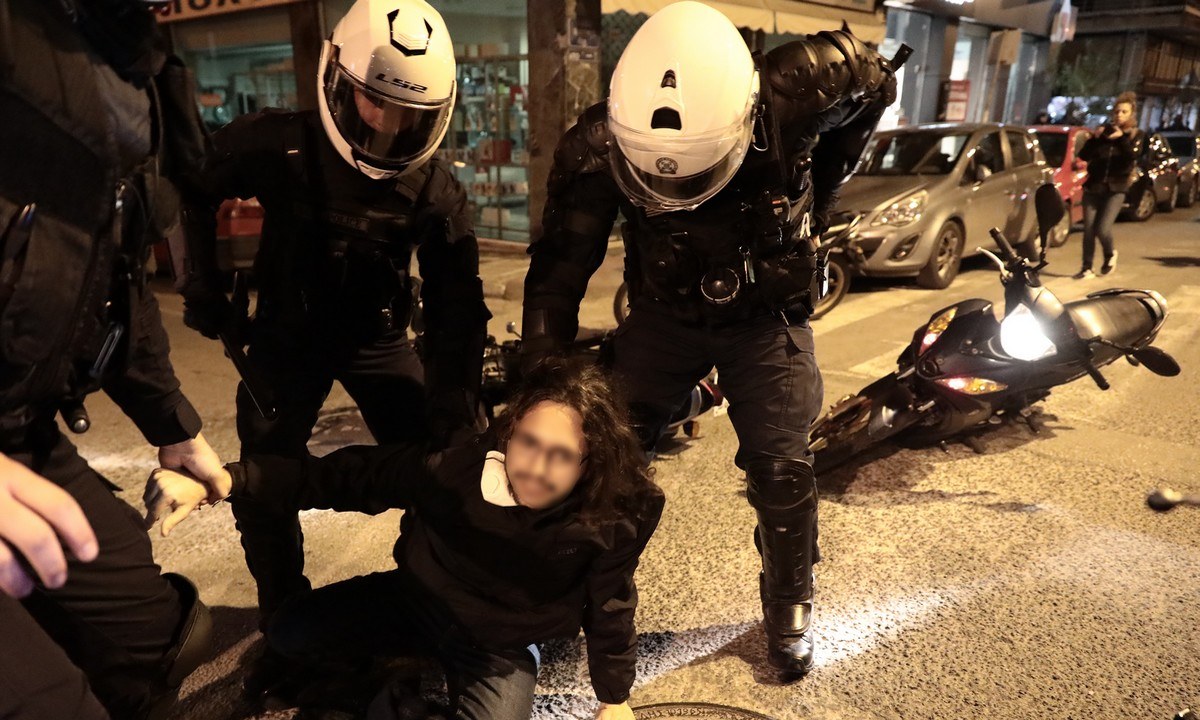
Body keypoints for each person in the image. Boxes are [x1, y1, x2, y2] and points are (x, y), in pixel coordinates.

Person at [520, 0, 898, 678]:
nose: (676, 189)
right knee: (597, 448)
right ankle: (567, 591)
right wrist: (544, 374)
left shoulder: (800, 87)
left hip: (766, 319)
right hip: (663, 317)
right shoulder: (599, 145)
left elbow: (877, 84)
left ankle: (790, 602)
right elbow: (559, 269)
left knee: (782, 469)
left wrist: (824, 185)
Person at [177, 0, 491, 693]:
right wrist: (202, 278)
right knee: (263, 485)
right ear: (336, 78)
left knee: (446, 470)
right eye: (377, 103)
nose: (390, 127)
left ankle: (433, 604)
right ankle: (284, 623)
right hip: (284, 339)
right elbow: (191, 183)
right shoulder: (276, 143)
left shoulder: (435, 190)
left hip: (379, 338)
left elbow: (458, 310)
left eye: (410, 115)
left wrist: (454, 400)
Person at [145, 358, 664, 720]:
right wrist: (225, 481)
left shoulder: (613, 516)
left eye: (562, 455)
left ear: (591, 460)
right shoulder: (453, 468)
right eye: (529, 442)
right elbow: (340, 476)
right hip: (416, 601)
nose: (536, 468)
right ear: (510, 433)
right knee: (288, 632)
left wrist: (614, 697)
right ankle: (393, 669)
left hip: (497, 642)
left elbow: (610, 604)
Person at [0, 0, 225, 717]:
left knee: (160, 637)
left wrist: (173, 425)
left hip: (19, 431)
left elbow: (115, 277)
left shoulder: (127, 58)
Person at [1075, 91, 1145, 279]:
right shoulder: (1103, 133)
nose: (1119, 115)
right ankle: (1086, 267)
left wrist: (1121, 138)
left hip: (1116, 188)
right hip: (1094, 186)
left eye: (1124, 112)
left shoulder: (1136, 135)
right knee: (1088, 229)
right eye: (1117, 111)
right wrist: (1095, 138)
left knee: (1102, 228)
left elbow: (1132, 157)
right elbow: (1084, 155)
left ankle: (1109, 253)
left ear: (1131, 114)